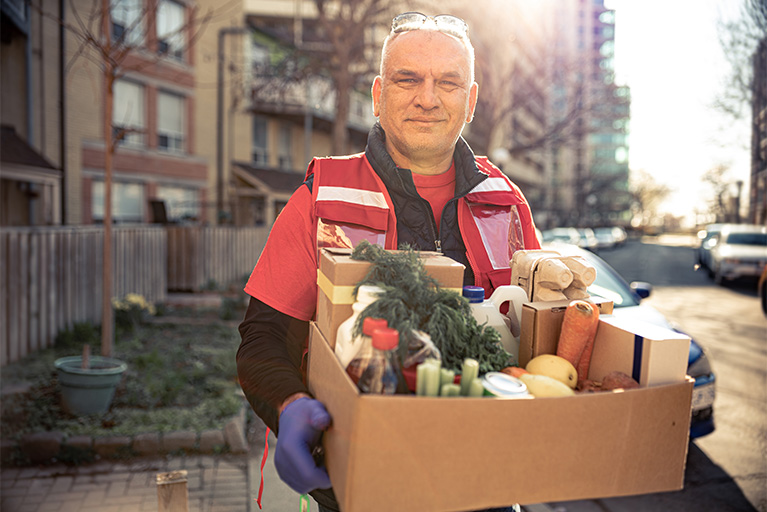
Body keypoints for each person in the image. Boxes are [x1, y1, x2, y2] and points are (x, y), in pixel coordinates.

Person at [237, 12, 540, 512]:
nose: (427, 97)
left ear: (471, 101)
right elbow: (263, 339)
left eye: (448, 82)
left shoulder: (508, 203)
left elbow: (537, 333)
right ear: (378, 96)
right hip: (356, 484)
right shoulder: (320, 197)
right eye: (408, 79)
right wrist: (289, 407)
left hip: (484, 485)